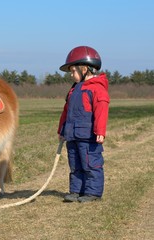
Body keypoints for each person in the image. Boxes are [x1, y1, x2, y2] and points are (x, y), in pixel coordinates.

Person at [57, 46, 110, 203]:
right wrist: (62, 130)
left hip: (88, 137)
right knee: (75, 164)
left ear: (85, 69)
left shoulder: (97, 89)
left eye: (73, 71)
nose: (72, 75)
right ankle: (76, 191)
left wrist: (100, 131)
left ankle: (93, 193)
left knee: (90, 164)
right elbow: (66, 111)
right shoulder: (74, 90)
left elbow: (101, 111)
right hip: (72, 135)